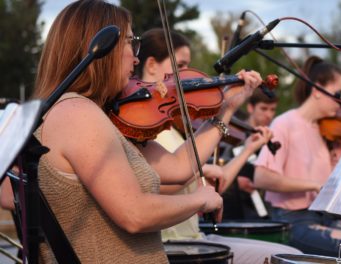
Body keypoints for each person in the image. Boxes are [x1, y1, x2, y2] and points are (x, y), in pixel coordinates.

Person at [31, 1, 262, 263]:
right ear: (101, 47)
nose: (136, 56)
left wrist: (226, 110)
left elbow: (178, 167)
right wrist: (200, 200)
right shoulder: (78, 114)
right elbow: (134, 213)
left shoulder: (95, 114)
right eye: (130, 42)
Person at [138, 28, 302, 264]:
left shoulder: (171, 127)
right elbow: (154, 187)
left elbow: (216, 182)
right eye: (181, 65)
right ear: (152, 65)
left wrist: (246, 148)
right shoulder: (147, 128)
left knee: (286, 254)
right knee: (288, 258)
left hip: (193, 237)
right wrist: (200, 172)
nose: (189, 75)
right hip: (172, 243)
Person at [254, 56, 341, 257]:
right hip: (293, 220)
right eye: (338, 94)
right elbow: (261, 177)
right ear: (317, 90)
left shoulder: (328, 131)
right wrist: (314, 185)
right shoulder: (285, 124)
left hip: (326, 218)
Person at [222, 88, 279, 220]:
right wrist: (236, 182)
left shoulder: (272, 135)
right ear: (250, 108)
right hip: (236, 208)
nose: (269, 115)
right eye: (264, 109)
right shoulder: (234, 134)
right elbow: (220, 164)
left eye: (272, 110)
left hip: (266, 207)